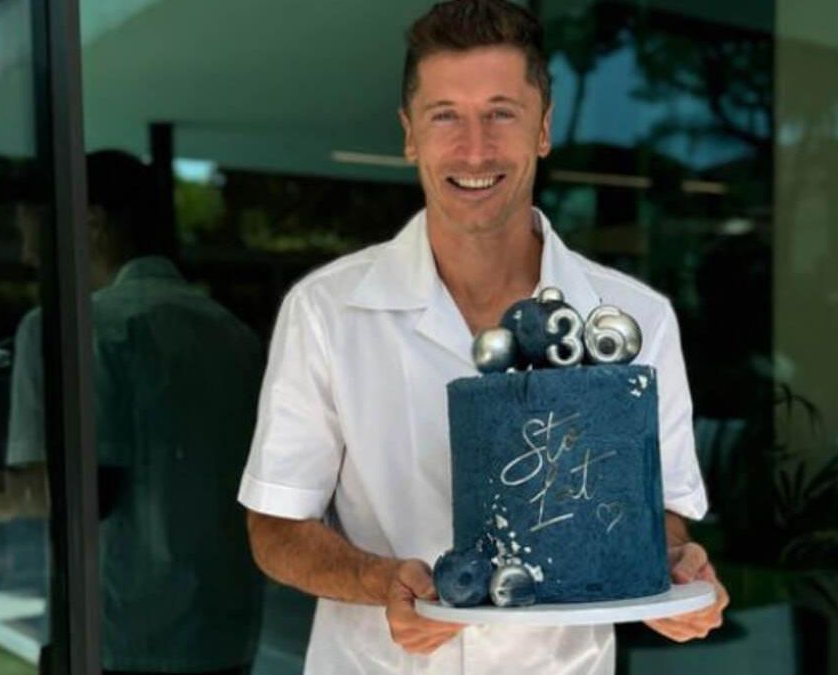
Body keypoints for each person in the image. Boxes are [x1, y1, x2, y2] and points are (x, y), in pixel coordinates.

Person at [237, 1, 729, 673]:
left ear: (543, 128)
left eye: (501, 113)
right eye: (446, 116)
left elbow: (662, 515)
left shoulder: (634, 318)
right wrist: (382, 582)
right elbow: (275, 527)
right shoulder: (327, 312)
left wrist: (676, 569)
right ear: (410, 135)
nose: (475, 149)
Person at [0, 150, 264, 675]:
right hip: (228, 640)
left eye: (31, 232)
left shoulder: (69, 328)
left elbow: (83, 491)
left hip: (122, 641)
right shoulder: (236, 337)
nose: (27, 255)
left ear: (92, 223)